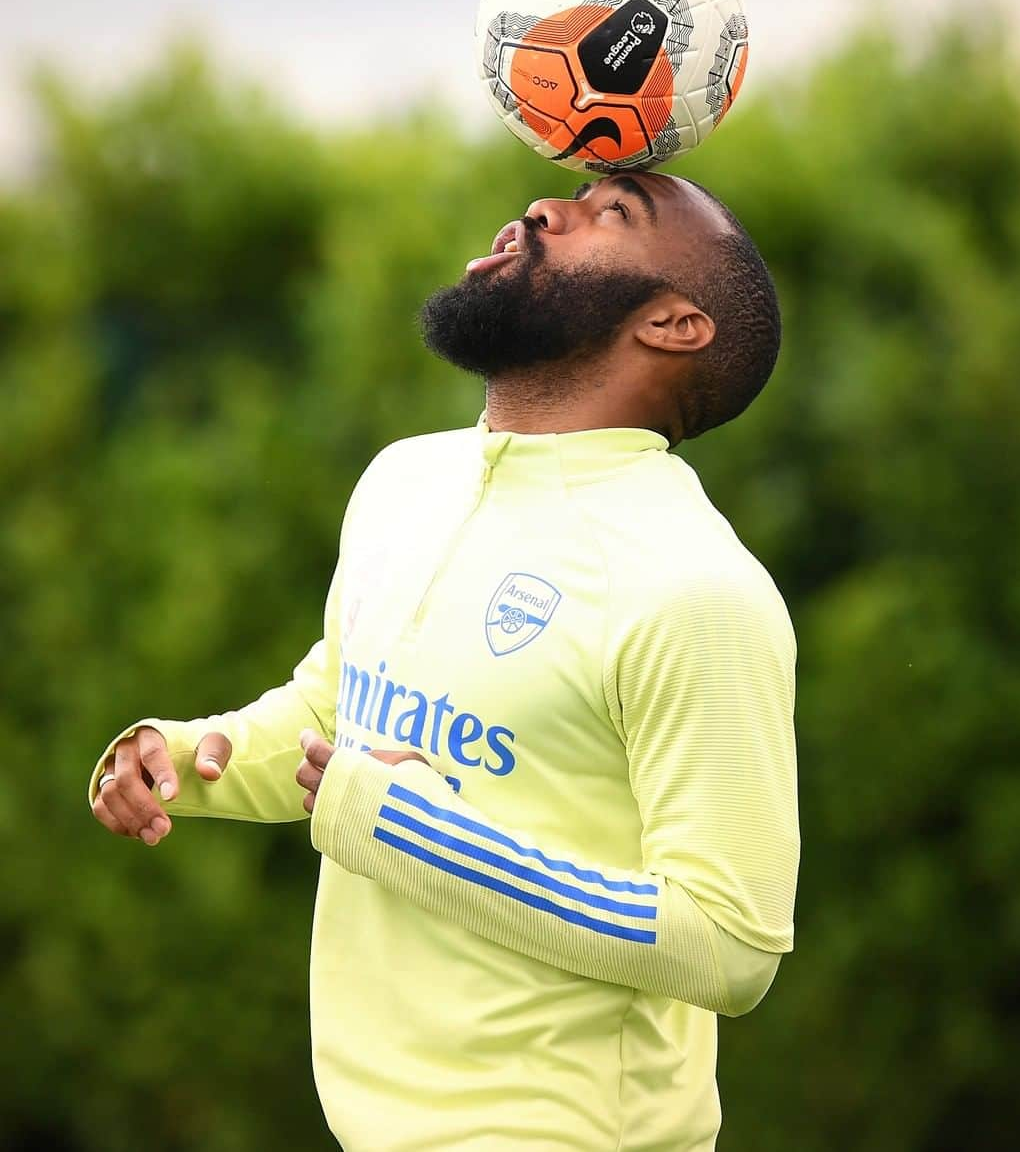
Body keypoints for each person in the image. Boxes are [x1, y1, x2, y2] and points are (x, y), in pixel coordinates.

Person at [88, 171, 799, 1151]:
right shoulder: (403, 479)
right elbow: (336, 717)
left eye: (612, 216)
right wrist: (185, 752)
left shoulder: (697, 588)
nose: (548, 210)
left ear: (676, 324)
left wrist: (418, 831)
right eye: (568, 194)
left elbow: (730, 943)